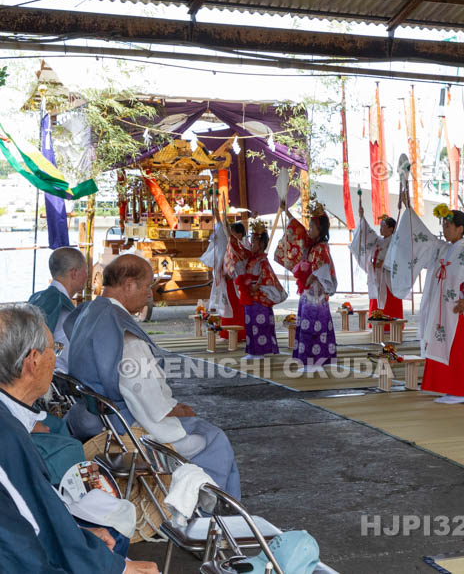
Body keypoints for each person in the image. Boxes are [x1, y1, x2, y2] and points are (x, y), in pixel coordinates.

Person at [65, 254, 241, 498]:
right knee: (214, 440)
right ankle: (211, 510)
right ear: (129, 285)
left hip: (89, 416)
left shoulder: (88, 312)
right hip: (122, 425)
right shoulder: (123, 334)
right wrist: (173, 409)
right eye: (147, 286)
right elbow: (147, 398)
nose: (150, 294)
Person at [0, 304, 158, 573]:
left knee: (108, 537)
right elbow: (25, 541)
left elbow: (34, 515)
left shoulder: (10, 423)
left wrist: (76, 533)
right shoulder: (7, 436)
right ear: (33, 360)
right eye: (54, 350)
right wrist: (118, 569)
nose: (55, 359)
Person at [385, 196, 464, 404]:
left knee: (457, 350)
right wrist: (409, 210)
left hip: (456, 310)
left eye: (448, 226)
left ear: (460, 229)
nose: (444, 229)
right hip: (440, 309)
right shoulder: (443, 248)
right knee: (439, 345)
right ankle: (446, 388)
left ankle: (461, 391)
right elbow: (423, 238)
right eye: (444, 225)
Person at [275, 201, 338, 372]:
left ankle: (314, 361)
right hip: (308, 292)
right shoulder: (313, 245)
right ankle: (311, 361)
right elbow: (299, 231)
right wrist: (287, 211)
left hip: (315, 292)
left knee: (314, 326)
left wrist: (311, 276)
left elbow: (322, 268)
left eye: (312, 227)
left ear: (320, 229)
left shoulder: (322, 247)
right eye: (310, 226)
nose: (309, 230)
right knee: (308, 324)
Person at [231, 220, 286, 359]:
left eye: (254, 242)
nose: (251, 244)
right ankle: (253, 351)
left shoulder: (262, 261)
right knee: (251, 324)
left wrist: (256, 287)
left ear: (261, 244)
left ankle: (260, 351)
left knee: (259, 324)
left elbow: (267, 279)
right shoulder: (252, 259)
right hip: (251, 295)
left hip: (259, 297)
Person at [28, 246, 87, 373]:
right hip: (54, 377)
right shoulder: (63, 309)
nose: (87, 276)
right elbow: (69, 360)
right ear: (74, 273)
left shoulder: (36, 297)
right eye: (85, 271)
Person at [351, 208, 403, 324]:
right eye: (381, 226)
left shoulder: (395, 242)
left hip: (388, 277)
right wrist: (362, 217)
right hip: (376, 276)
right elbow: (368, 233)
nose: (381, 228)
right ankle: (376, 324)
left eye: (383, 226)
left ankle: (391, 325)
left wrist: (384, 263)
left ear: (391, 229)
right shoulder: (379, 240)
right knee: (376, 297)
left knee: (389, 300)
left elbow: (399, 259)